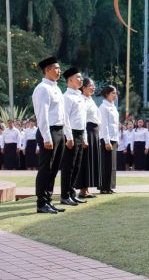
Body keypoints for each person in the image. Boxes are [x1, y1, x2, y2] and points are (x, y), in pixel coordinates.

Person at [32, 56, 69, 214]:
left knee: (54, 169)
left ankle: (48, 201)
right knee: (45, 169)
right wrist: (47, 137)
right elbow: (42, 116)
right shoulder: (42, 88)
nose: (59, 71)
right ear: (47, 70)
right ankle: (41, 203)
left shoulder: (57, 88)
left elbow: (63, 114)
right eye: (56, 68)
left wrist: (66, 134)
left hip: (59, 132)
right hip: (49, 132)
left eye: (59, 68)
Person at [60, 67, 88, 206]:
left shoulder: (80, 97)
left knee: (76, 165)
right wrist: (69, 137)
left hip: (80, 133)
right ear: (70, 80)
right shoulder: (67, 97)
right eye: (78, 77)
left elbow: (83, 120)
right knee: (68, 166)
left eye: (81, 77)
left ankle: (71, 193)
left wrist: (85, 137)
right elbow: (66, 119)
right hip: (70, 134)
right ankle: (64, 195)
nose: (81, 79)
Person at [76, 77, 101, 199]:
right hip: (88, 131)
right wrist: (85, 138)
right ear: (84, 88)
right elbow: (83, 120)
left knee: (91, 161)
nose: (93, 87)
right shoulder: (82, 100)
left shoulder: (91, 100)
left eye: (93, 85)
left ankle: (86, 189)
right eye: (91, 85)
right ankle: (82, 189)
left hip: (94, 132)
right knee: (85, 161)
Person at [99, 85, 120, 194]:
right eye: (113, 93)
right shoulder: (103, 107)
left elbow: (116, 125)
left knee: (112, 165)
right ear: (107, 94)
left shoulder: (113, 106)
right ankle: (104, 187)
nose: (115, 95)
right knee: (106, 164)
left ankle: (110, 186)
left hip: (114, 138)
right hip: (107, 139)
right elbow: (104, 126)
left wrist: (117, 139)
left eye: (115, 93)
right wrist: (107, 141)